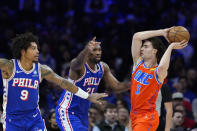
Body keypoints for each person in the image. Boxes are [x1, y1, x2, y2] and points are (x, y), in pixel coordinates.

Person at [0, 32, 107, 131]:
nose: (37, 51)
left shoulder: (42, 69)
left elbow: (65, 83)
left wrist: (87, 96)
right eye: (33, 48)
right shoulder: (8, 66)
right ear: (23, 51)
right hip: (12, 118)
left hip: (34, 118)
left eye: (37, 48)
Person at [56, 37, 130, 131]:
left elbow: (117, 86)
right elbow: (76, 63)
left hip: (83, 114)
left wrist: (134, 83)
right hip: (68, 111)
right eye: (94, 50)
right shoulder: (80, 67)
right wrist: (86, 49)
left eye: (99, 50)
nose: (98, 52)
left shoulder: (103, 67)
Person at [130, 27, 188, 131]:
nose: (142, 49)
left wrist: (170, 47)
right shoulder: (137, 64)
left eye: (146, 46)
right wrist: (162, 32)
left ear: (154, 51)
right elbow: (136, 36)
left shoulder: (158, 72)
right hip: (134, 114)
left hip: (147, 117)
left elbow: (162, 67)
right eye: (142, 46)